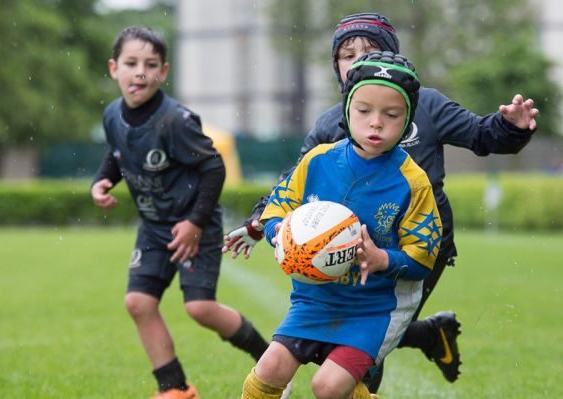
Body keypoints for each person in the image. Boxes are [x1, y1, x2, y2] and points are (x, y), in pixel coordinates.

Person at [224, 12, 538, 391]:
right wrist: (265, 225)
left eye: (369, 51)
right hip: (337, 247)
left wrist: (510, 127)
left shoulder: (426, 108)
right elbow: (291, 189)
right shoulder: (329, 131)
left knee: (365, 344)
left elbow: (481, 135)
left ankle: (392, 356)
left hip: (413, 243)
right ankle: (427, 334)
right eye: (347, 54)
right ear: (338, 68)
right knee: (337, 343)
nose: (357, 60)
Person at [241, 51, 442, 399]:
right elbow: (274, 212)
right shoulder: (317, 160)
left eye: (391, 114)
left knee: (328, 386)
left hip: (373, 307)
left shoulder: (413, 182)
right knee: (271, 367)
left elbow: (423, 259)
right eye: (364, 111)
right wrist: (282, 235)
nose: (376, 123)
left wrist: (383, 260)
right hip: (314, 299)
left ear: (408, 120)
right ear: (347, 110)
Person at [91, 26, 269, 399]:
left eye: (150, 64)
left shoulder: (176, 120)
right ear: (113, 68)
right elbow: (117, 152)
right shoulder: (112, 115)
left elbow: (213, 168)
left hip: (195, 226)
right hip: (155, 228)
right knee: (138, 303)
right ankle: (174, 388)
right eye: (131, 63)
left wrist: (194, 223)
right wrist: (102, 182)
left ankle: (269, 362)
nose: (140, 72)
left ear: (164, 72)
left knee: (200, 308)